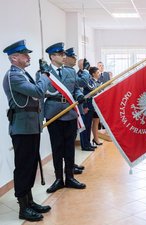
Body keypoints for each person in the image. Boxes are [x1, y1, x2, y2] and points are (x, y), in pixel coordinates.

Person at [2, 40, 51, 221]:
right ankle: (23, 207)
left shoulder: (22, 74)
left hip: (31, 127)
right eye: (25, 55)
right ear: (15, 58)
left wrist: (40, 77)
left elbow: (37, 93)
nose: (28, 57)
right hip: (22, 129)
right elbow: (38, 91)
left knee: (30, 166)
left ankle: (29, 202)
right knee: (23, 167)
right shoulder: (13, 76)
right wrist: (44, 76)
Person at [42, 42, 86, 193]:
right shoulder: (44, 73)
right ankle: (59, 179)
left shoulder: (70, 72)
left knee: (69, 147)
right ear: (52, 57)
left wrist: (80, 96)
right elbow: (40, 93)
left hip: (70, 113)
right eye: (60, 54)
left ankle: (70, 178)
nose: (64, 57)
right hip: (53, 114)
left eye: (64, 54)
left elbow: (76, 90)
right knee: (57, 147)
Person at [64, 48, 92, 173]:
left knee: (71, 140)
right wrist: (85, 70)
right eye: (73, 57)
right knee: (66, 142)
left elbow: (77, 87)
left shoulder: (72, 72)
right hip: (66, 110)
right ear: (66, 58)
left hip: (74, 109)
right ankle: (67, 167)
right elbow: (83, 82)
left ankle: (71, 164)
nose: (75, 59)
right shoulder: (66, 72)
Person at [77, 59, 99, 150]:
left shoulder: (86, 75)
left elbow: (92, 86)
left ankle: (88, 143)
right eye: (85, 64)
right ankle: (85, 145)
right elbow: (89, 87)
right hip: (85, 105)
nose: (88, 66)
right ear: (80, 65)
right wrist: (85, 106)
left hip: (90, 105)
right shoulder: (80, 75)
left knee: (88, 125)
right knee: (84, 126)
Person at [83, 67, 103, 146]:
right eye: (98, 72)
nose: (99, 74)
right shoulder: (89, 81)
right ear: (93, 74)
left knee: (96, 123)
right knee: (88, 125)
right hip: (89, 106)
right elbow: (90, 91)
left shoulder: (99, 82)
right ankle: (87, 143)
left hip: (96, 106)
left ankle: (96, 139)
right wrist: (85, 106)